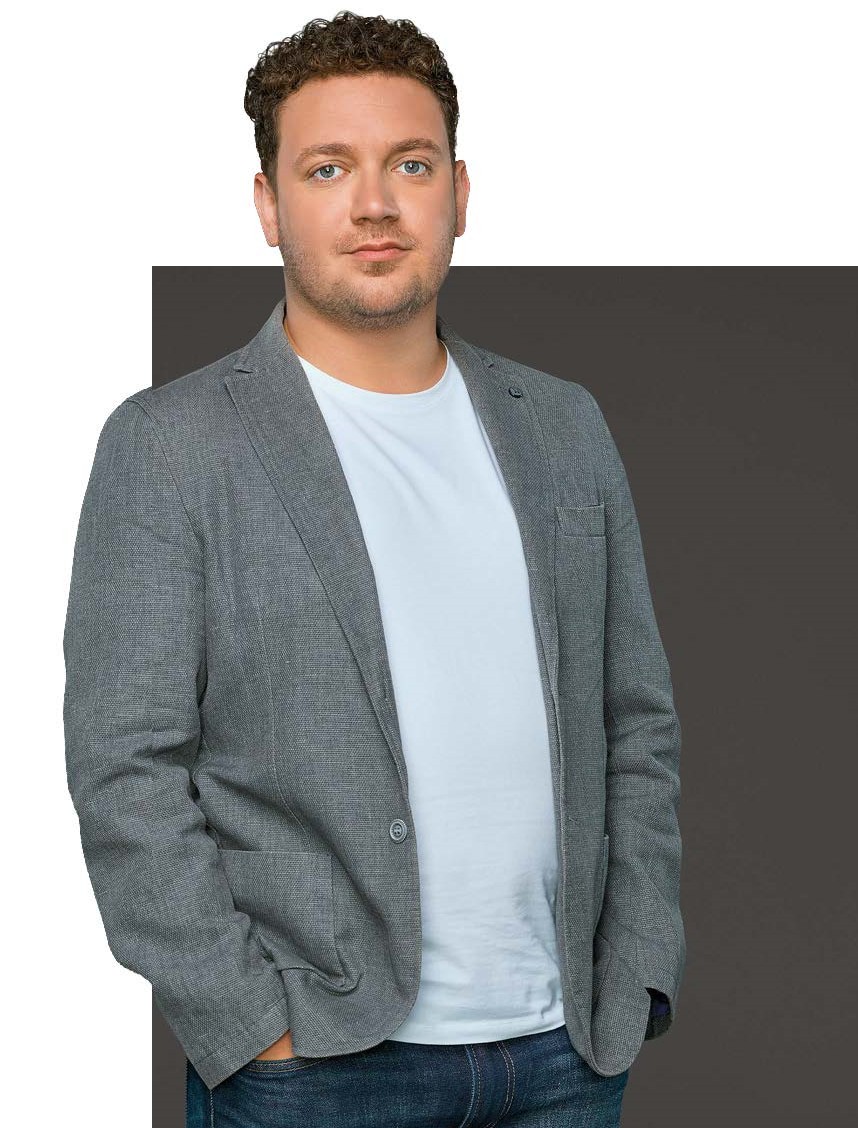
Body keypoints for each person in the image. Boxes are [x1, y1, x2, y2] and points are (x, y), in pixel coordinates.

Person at [63, 11, 683, 1127]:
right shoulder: (171, 445)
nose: (375, 203)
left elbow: (634, 722)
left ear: (459, 192)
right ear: (269, 205)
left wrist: (632, 972)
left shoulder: (564, 426)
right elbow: (125, 767)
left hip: (564, 1058)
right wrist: (248, 1024)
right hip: (316, 1067)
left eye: (410, 163)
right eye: (327, 168)